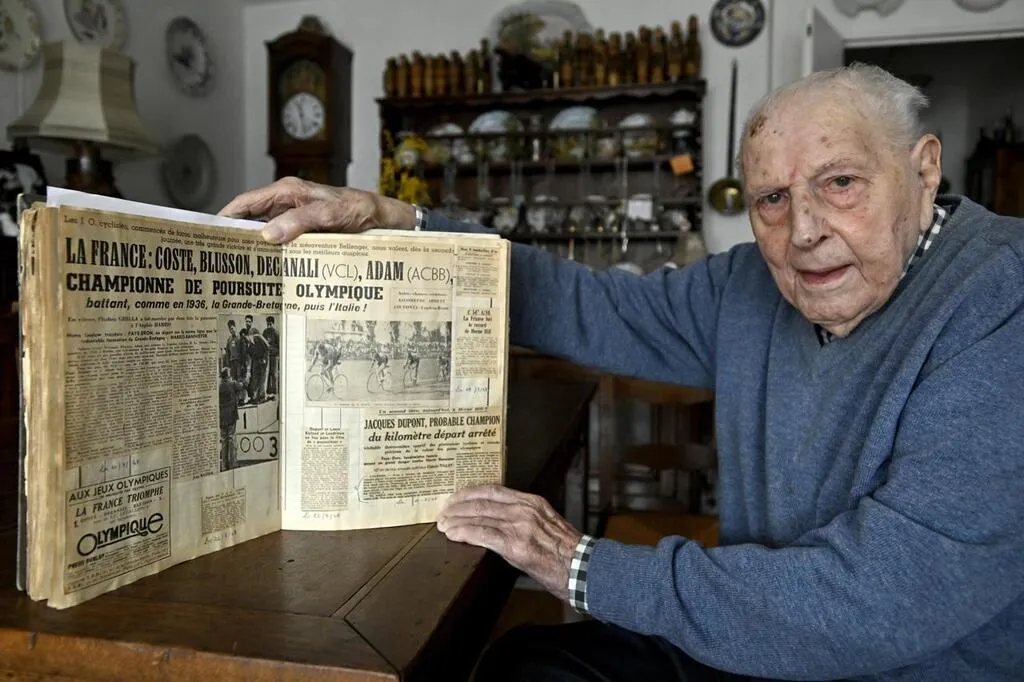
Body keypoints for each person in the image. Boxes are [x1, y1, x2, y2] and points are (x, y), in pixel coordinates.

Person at [219, 64, 1024, 681]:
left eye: (840, 183)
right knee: (529, 668)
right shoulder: (745, 286)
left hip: (907, 668)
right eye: (771, 199)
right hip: (753, 647)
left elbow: (884, 597)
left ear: (923, 171)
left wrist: (582, 566)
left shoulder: (1001, 296)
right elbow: (587, 306)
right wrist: (405, 222)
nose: (804, 229)